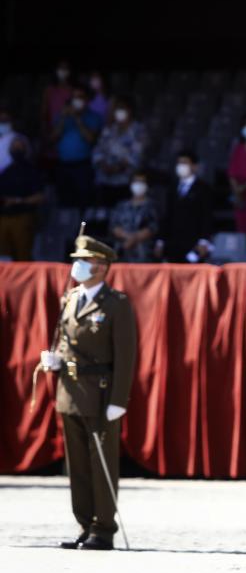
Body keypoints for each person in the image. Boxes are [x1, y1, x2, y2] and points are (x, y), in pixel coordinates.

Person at [41, 235, 136, 551]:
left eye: (84, 261)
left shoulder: (116, 304)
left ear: (101, 266)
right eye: (77, 260)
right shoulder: (70, 298)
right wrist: (54, 359)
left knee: (101, 463)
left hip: (101, 393)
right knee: (78, 464)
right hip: (70, 390)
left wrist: (119, 400)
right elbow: (66, 339)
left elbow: (125, 355)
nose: (77, 266)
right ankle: (84, 523)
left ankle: (103, 528)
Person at [51, 86, 103, 209]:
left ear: (87, 100)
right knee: (64, 203)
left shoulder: (94, 117)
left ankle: (82, 228)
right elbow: (53, 138)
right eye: (74, 97)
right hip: (62, 165)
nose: (77, 100)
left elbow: (91, 139)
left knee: (83, 203)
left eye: (80, 97)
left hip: (83, 167)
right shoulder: (60, 116)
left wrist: (77, 118)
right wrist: (64, 118)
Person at [157, 152, 213, 263]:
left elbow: (207, 216)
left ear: (195, 166)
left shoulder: (204, 188)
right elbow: (167, 215)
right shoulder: (172, 188)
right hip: (173, 243)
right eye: (179, 163)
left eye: (185, 163)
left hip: (193, 242)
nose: (180, 166)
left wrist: (203, 242)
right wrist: (160, 241)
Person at [0, 111, 41, 260]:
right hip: (3, 218)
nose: (16, 149)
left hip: (23, 218)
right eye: (14, 147)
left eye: (19, 147)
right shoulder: (4, 173)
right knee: (4, 259)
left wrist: (18, 201)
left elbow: (40, 197)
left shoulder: (31, 172)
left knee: (23, 257)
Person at [91, 97, 144, 210]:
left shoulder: (138, 130)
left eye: (122, 108)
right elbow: (98, 150)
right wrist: (103, 165)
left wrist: (117, 168)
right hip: (105, 181)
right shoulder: (109, 129)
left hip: (125, 183)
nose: (119, 111)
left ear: (130, 110)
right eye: (117, 108)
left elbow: (136, 155)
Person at [108, 172, 158, 263]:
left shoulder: (152, 206)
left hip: (143, 252)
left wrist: (134, 238)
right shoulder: (122, 205)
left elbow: (153, 227)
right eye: (136, 181)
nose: (138, 184)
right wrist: (127, 237)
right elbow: (114, 226)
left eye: (142, 182)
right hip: (122, 249)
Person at [40, 59, 74, 138]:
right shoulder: (49, 90)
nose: (63, 71)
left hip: (67, 127)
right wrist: (44, 127)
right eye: (61, 68)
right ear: (56, 70)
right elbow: (44, 111)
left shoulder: (72, 90)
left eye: (65, 68)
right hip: (51, 128)